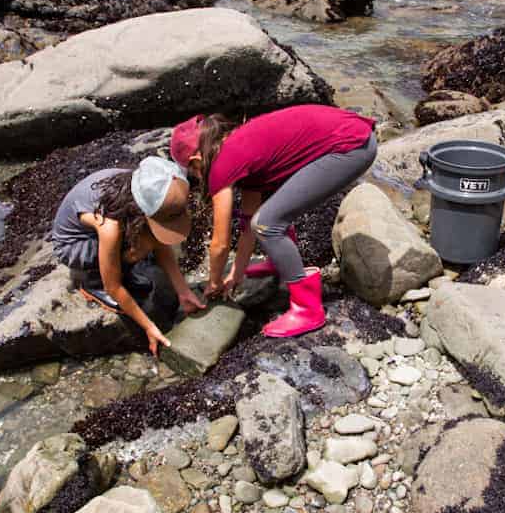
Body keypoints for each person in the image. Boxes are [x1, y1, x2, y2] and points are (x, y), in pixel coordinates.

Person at [170, 104, 376, 338]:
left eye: (193, 170)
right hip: (353, 135)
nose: (197, 177)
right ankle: (280, 261)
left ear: (197, 158)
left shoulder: (221, 166)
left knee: (267, 224)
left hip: (350, 148)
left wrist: (214, 283)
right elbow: (249, 222)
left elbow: (220, 243)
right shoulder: (236, 144)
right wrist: (237, 272)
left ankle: (307, 309)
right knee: (265, 219)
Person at [50, 156, 205, 355]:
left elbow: (160, 243)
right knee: (138, 249)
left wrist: (183, 290)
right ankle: (91, 282)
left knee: (145, 243)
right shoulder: (110, 227)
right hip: (75, 244)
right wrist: (149, 326)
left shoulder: (143, 187)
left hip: (112, 228)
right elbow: (113, 287)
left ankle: (125, 262)